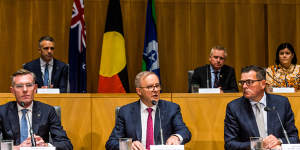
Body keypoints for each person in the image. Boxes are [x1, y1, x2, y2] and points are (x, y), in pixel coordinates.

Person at [105, 71, 191, 150]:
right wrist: (129, 145)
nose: (156, 90)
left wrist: (176, 137)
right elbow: (111, 143)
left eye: (157, 86)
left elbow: (184, 131)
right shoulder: (126, 112)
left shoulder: (171, 108)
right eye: (150, 87)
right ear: (139, 91)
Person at [224, 65, 299, 150]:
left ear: (263, 84)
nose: (244, 86)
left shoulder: (281, 103)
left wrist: (279, 141)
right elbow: (229, 144)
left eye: (249, 82)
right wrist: (258, 144)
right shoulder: (234, 108)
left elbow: (294, 138)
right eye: (242, 82)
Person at [0, 69, 73, 150]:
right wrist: (17, 148)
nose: (25, 90)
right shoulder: (2, 112)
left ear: (35, 88)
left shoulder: (48, 111)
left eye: (29, 85)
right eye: (19, 86)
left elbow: (66, 144)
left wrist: (45, 146)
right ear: (12, 91)